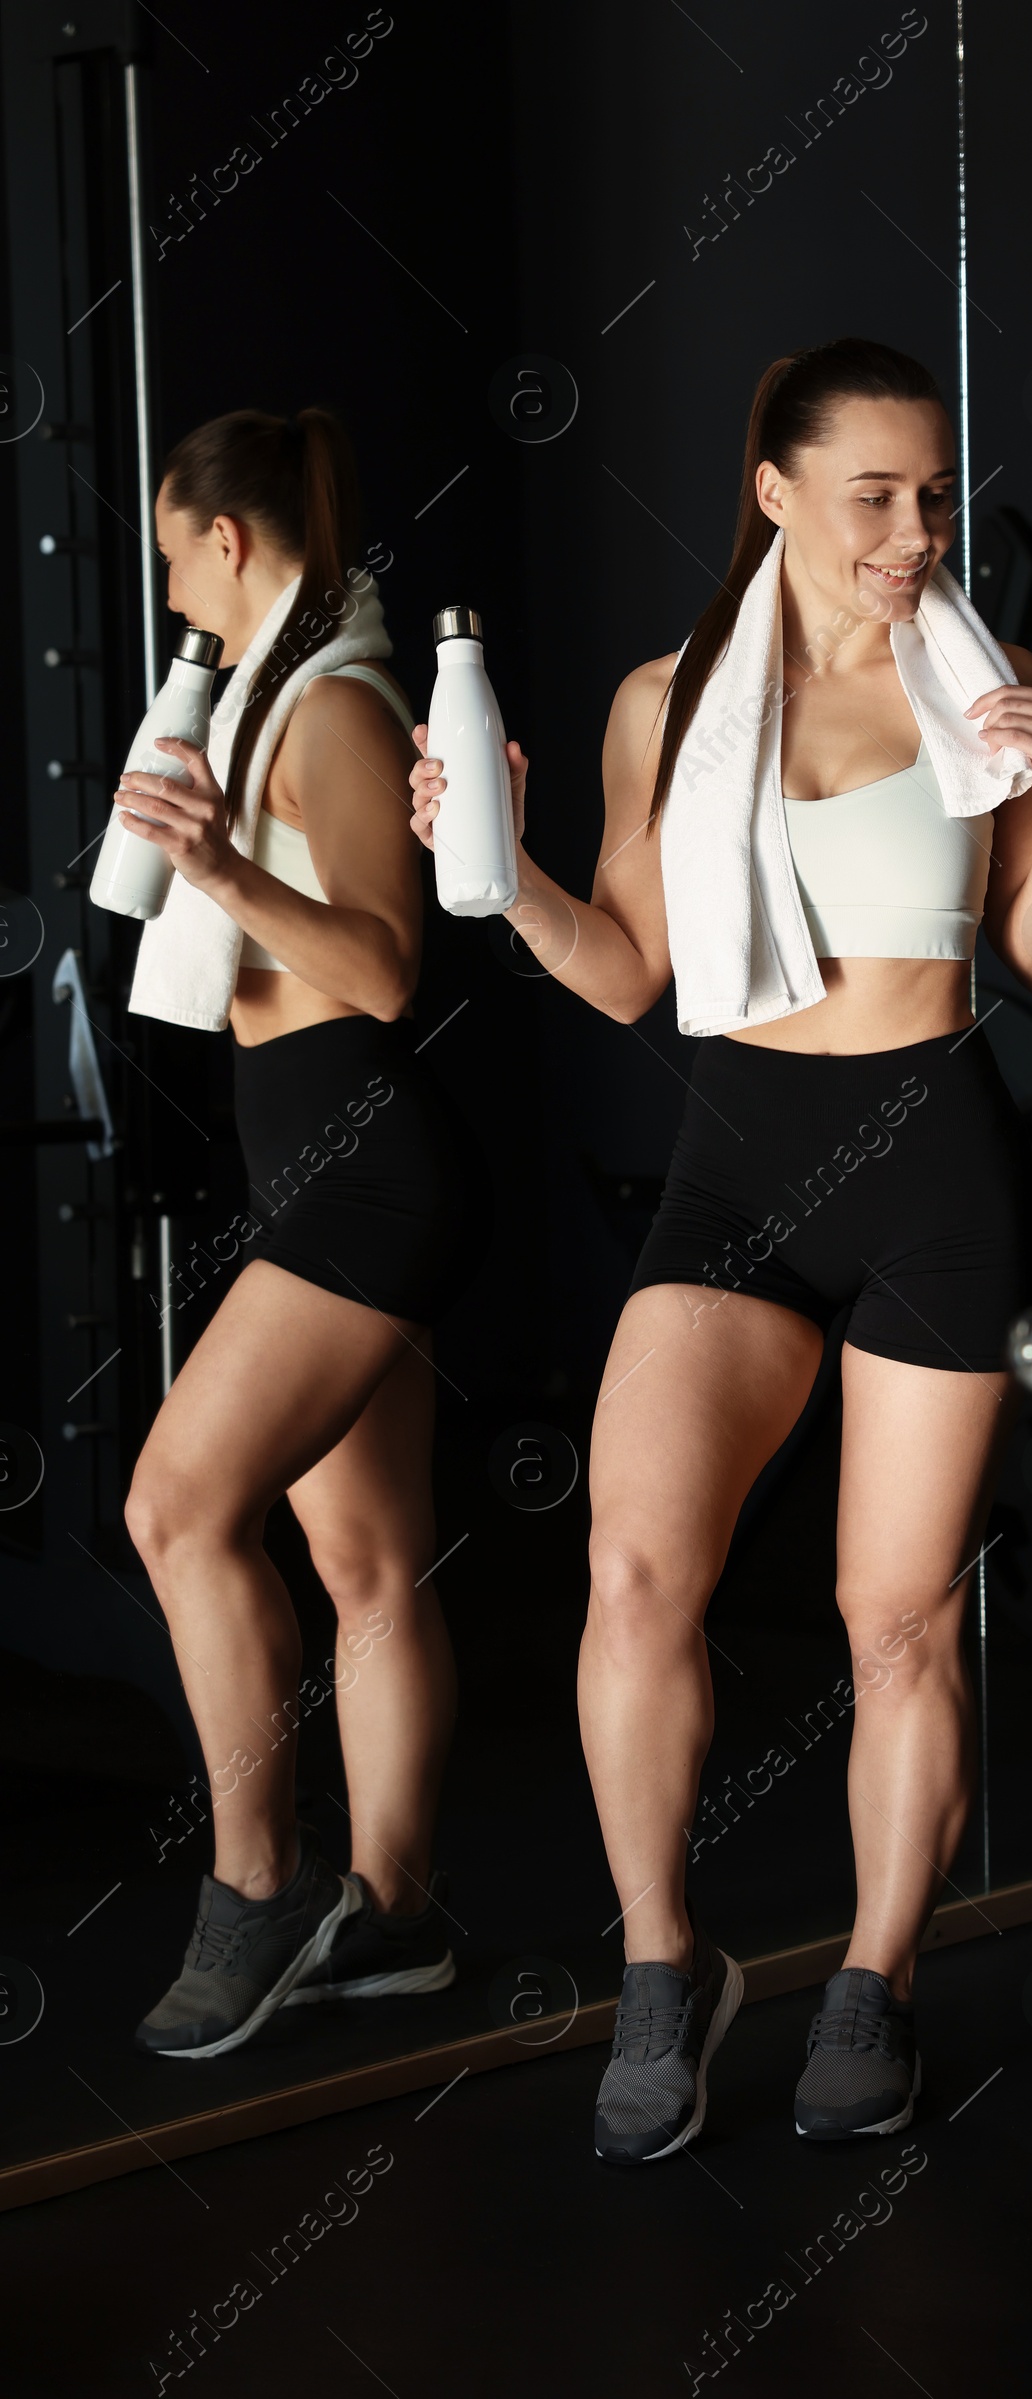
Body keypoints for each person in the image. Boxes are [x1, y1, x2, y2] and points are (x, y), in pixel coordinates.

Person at [411, 337, 1032, 2159]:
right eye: (873, 494)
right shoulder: (667, 698)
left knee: (899, 1620)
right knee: (632, 1574)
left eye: (933, 494)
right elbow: (628, 968)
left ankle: (870, 1985)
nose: (911, 530)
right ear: (776, 491)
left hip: (937, 1165)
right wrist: (499, 884)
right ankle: (664, 1968)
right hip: (739, 1165)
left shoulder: (991, 682)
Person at [119, 409, 469, 2056]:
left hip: (365, 1179)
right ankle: (396, 1921)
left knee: (178, 1508)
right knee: (366, 1559)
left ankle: (255, 1890)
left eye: (174, 546)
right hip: (320, 1166)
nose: (168, 576)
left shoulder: (329, 704)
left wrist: (219, 866)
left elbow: (390, 967)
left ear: (229, 542)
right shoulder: (261, 697)